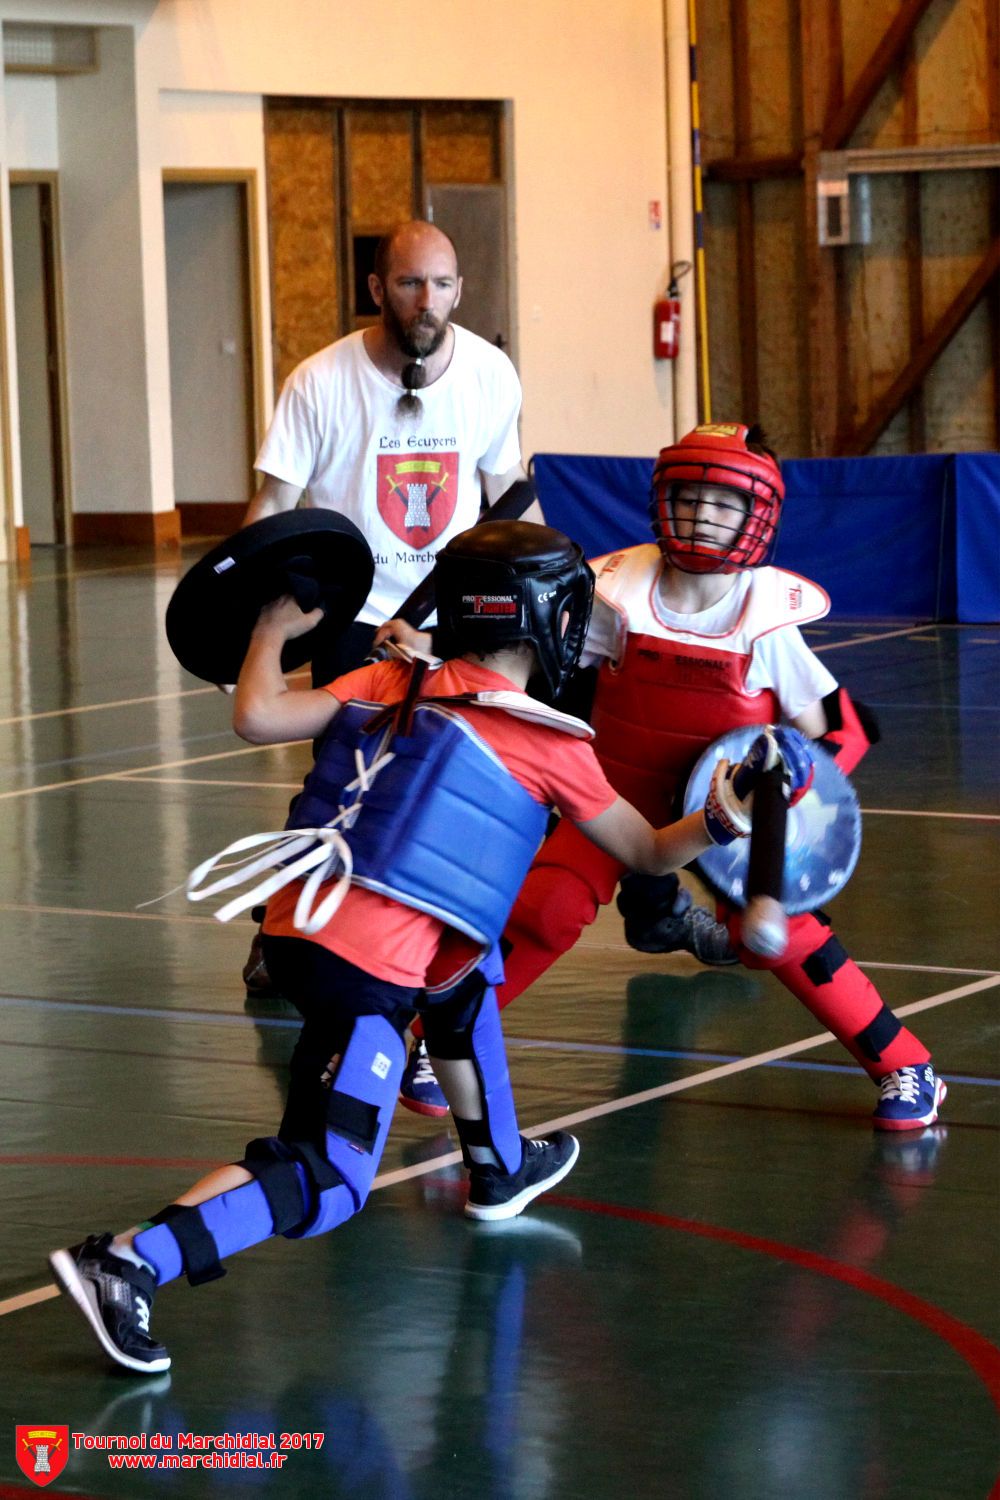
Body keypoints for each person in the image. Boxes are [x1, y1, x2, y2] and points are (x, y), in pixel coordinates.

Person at [48, 520, 809, 1374]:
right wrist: (724, 813)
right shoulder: (554, 744)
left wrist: (270, 627)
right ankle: (128, 1261)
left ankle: (500, 1165)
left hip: (297, 928)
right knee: (330, 1178)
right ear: (546, 621)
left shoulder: (386, 677)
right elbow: (644, 852)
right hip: (362, 973)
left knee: (459, 972)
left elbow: (256, 714)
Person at [396, 425, 946, 1132]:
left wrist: (795, 791)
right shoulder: (615, 589)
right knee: (547, 908)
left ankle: (906, 1065)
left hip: (725, 808)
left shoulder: (768, 618)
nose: (702, 515)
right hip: (613, 793)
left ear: (759, 515)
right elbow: (533, 660)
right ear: (663, 501)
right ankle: (431, 1042)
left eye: (722, 503)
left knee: (782, 935)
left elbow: (839, 727)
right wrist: (436, 647)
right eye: (689, 497)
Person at [239, 217, 540, 997]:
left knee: (453, 776)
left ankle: (421, 936)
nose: (426, 302)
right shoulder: (320, 380)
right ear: (378, 289)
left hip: (457, 609)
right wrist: (245, 623)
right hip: (356, 615)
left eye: (441, 285)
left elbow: (508, 495)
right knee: (344, 779)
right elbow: (274, 503)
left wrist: (536, 604)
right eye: (409, 284)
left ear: (460, 290)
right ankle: (283, 926)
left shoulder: (490, 373)